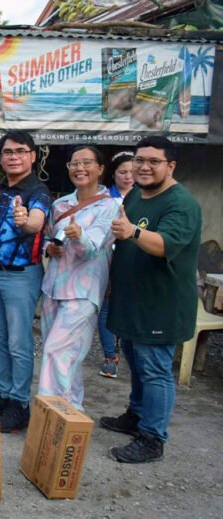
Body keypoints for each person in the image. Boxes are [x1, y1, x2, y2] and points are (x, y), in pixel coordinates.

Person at [101, 136, 202, 463]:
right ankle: (137, 414)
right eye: (140, 160)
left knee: (156, 369)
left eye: (153, 161)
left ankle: (152, 438)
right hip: (133, 302)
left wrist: (133, 232)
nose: (144, 167)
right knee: (135, 358)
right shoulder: (137, 198)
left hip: (161, 304)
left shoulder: (181, 203)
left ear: (170, 166)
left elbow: (165, 245)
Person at [0, 130, 51, 433]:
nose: (14, 157)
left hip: (22, 277)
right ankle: (4, 391)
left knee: (19, 343)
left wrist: (26, 221)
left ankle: (19, 404)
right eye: (8, 152)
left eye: (21, 151)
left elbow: (36, 221)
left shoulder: (38, 191)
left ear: (33, 156)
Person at [37, 146, 117, 411]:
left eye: (87, 163)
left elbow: (91, 249)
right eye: (74, 163)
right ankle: (72, 414)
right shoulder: (61, 204)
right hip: (53, 288)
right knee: (66, 357)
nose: (80, 168)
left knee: (55, 353)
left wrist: (78, 235)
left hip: (82, 293)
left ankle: (50, 416)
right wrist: (50, 248)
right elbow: (47, 239)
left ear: (101, 169)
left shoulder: (110, 208)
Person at [96, 151, 134, 379]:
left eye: (132, 172)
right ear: (114, 174)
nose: (128, 176)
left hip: (135, 262)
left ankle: (131, 353)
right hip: (108, 260)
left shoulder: (143, 198)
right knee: (107, 307)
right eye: (123, 172)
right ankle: (111, 356)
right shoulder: (105, 199)